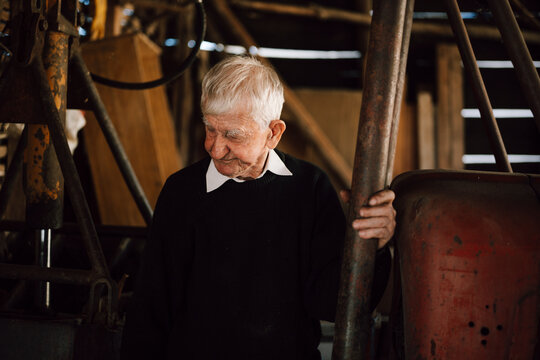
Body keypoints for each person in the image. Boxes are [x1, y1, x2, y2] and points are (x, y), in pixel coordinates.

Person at [121, 55, 396, 360]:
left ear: (273, 133)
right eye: (210, 129)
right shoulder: (182, 192)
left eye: (232, 135)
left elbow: (331, 304)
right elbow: (150, 308)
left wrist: (376, 247)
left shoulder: (309, 188)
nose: (214, 147)